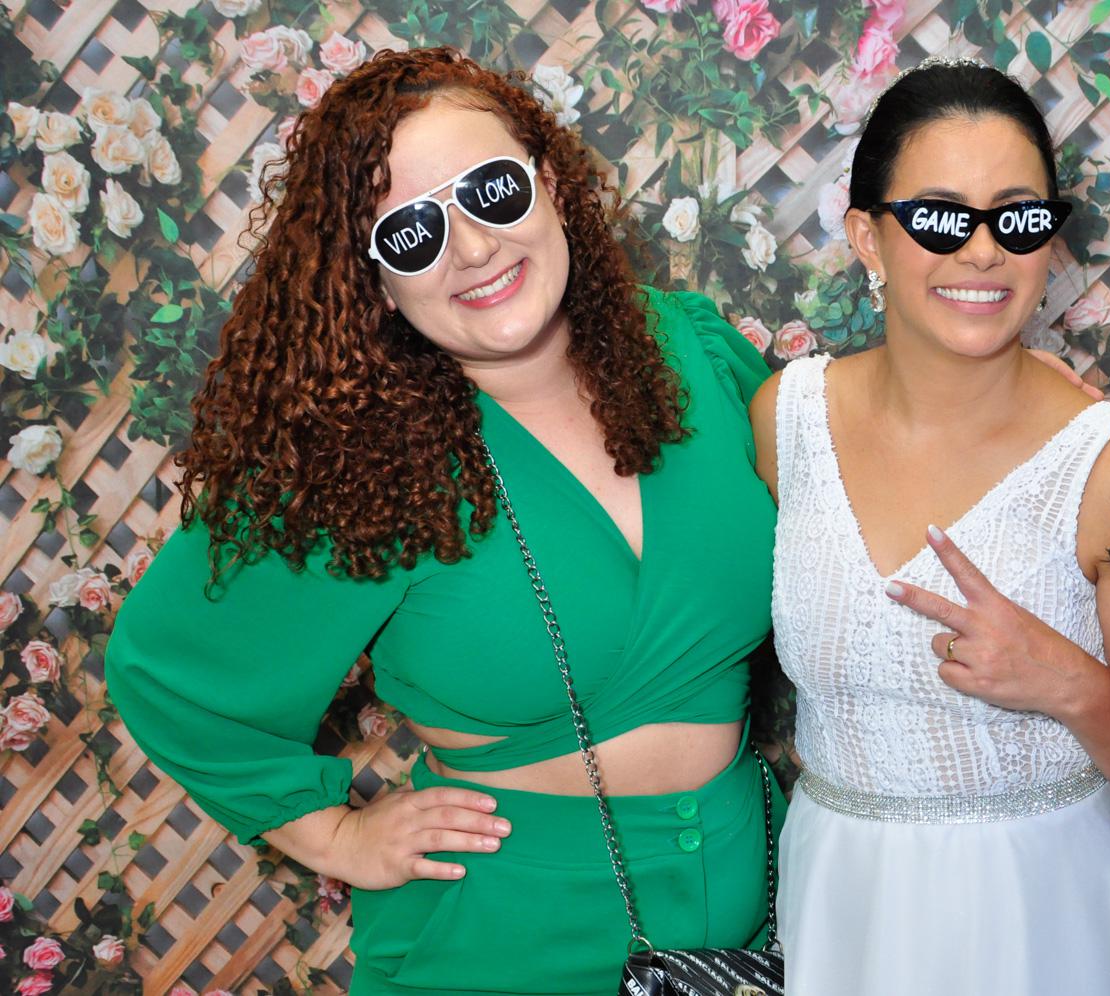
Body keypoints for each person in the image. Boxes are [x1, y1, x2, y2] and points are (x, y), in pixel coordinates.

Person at [105, 48, 786, 996]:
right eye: (412, 232)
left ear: (550, 185)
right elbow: (164, 671)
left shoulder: (694, 353)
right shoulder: (351, 464)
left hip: (755, 931)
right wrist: (333, 836)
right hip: (495, 949)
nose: (470, 248)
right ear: (375, 280)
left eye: (491, 191)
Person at [749, 59, 1110, 994]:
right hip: (844, 903)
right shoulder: (786, 419)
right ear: (867, 238)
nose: (984, 250)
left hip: (1049, 915)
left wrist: (1066, 680)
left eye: (1017, 219)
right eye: (943, 218)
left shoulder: (1108, 463)